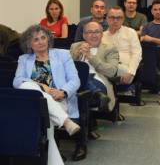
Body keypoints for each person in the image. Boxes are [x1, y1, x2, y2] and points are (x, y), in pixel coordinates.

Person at [13, 25, 80, 165]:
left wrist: (63, 92)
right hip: (32, 104)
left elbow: (75, 80)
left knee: (44, 119)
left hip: (58, 100)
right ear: (29, 44)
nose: (41, 41)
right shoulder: (24, 59)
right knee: (26, 85)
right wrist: (41, 86)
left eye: (43, 37)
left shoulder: (63, 54)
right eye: (35, 39)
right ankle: (66, 122)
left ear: (49, 39)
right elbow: (17, 81)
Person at [70, 21, 119, 112]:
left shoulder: (110, 49)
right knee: (80, 76)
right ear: (84, 35)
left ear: (102, 35)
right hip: (74, 81)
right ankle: (97, 93)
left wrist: (90, 57)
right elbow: (67, 69)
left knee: (84, 77)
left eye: (97, 32)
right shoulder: (75, 46)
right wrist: (76, 56)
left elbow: (112, 71)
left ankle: (97, 92)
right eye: (89, 32)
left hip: (98, 81)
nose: (93, 35)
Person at [102, 6, 142, 86]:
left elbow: (137, 54)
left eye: (119, 18)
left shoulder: (130, 32)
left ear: (123, 19)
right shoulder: (102, 35)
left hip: (125, 69)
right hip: (107, 68)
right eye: (112, 17)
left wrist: (131, 72)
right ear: (107, 19)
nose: (115, 21)